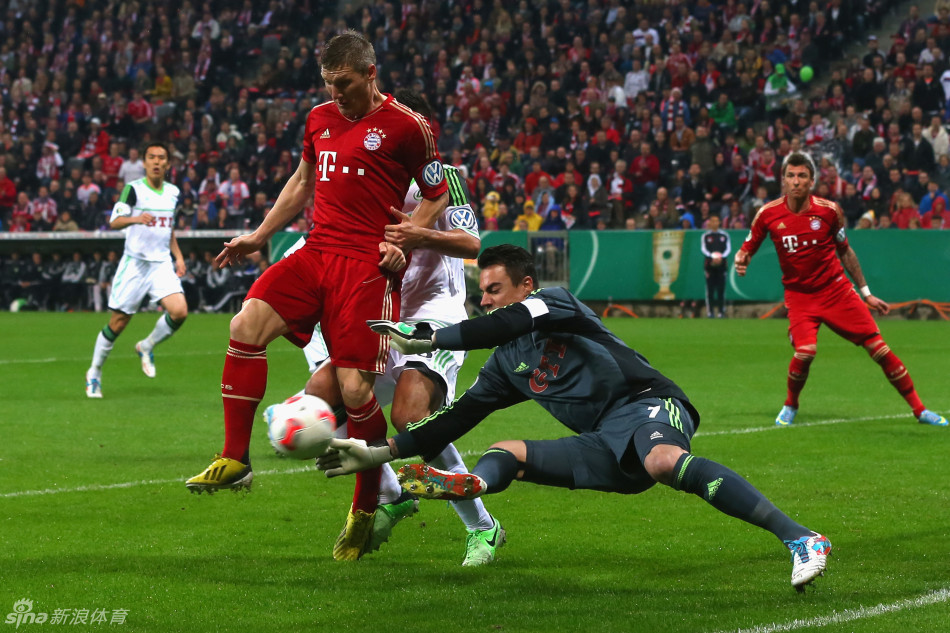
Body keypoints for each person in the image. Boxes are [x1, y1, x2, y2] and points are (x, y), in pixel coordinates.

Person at [317, 245, 832, 590]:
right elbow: (451, 422)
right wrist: (375, 453)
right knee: (506, 452)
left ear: (526, 285)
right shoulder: (504, 365)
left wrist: (431, 338)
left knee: (661, 459)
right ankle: (471, 483)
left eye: (494, 289)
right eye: (481, 292)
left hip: (649, 403)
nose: (485, 300)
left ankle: (802, 537)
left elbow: (510, 321)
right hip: (604, 442)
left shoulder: (554, 303)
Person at [184, 32, 449, 564]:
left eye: (345, 84)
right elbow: (303, 180)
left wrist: (404, 237)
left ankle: (365, 507)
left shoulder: (408, 127)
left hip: (364, 267)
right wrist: (260, 235)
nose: (336, 93)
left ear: (370, 74)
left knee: (354, 388)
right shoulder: (318, 118)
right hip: (317, 250)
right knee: (245, 326)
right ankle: (236, 457)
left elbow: (438, 194)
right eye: (329, 84)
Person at [263, 88, 502, 566]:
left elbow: (472, 244)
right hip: (382, 310)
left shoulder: (445, 178)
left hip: (435, 315)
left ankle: (483, 527)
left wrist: (418, 235)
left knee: (411, 417)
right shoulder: (370, 170)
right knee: (322, 394)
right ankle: (392, 493)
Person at [734, 151, 947, 428]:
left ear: (811, 181)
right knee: (805, 352)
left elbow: (845, 251)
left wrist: (866, 292)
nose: (796, 181)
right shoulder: (768, 214)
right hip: (800, 297)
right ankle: (790, 405)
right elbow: (747, 247)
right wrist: (742, 259)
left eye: (801, 176)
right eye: (790, 175)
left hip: (837, 292)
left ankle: (920, 410)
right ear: (783, 180)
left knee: (880, 350)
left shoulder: (829, 210)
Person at [84, 143, 188, 397]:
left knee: (180, 311)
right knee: (118, 323)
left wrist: (178, 256)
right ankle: (94, 373)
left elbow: (168, 227)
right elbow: (114, 221)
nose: (156, 161)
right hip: (135, 264)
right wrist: (135, 218)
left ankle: (147, 345)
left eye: (161, 158)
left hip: (161, 263)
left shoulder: (173, 192)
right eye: (151, 157)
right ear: (144, 162)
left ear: (167, 164)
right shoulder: (134, 190)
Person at [701, 214, 731, 318]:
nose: (714, 223)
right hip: (709, 266)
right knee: (710, 290)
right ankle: (710, 312)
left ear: (719, 222)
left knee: (721, 290)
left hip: (721, 265)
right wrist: (712, 257)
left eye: (716, 221)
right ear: (709, 223)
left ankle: (721, 312)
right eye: (712, 221)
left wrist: (720, 257)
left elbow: (728, 249)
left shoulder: (724, 236)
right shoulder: (705, 236)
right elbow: (704, 249)